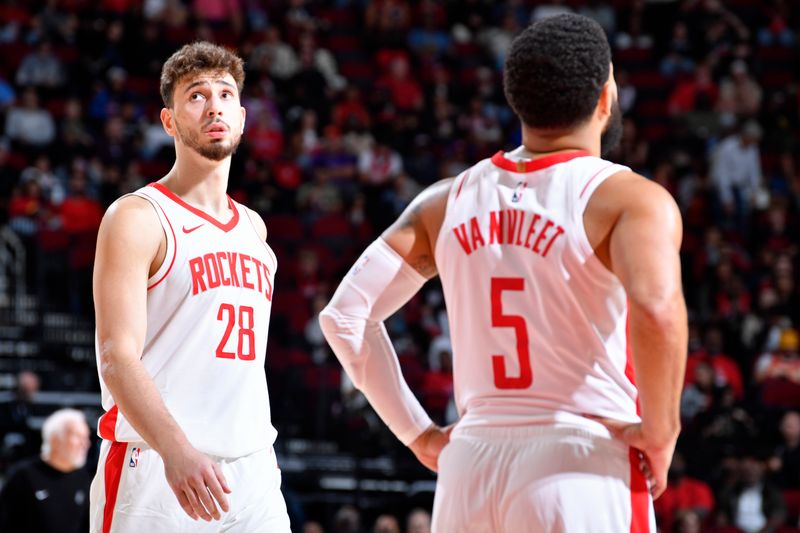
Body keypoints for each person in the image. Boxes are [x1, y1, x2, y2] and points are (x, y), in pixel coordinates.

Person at [320, 14, 687, 532]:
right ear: (606, 96)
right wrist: (662, 431)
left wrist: (419, 435)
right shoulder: (630, 199)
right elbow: (656, 311)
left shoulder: (445, 200)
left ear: (518, 101)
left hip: (470, 469)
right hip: (580, 459)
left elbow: (345, 316)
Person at [89, 42, 289, 533]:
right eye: (196, 96)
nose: (214, 105)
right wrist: (176, 451)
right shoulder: (137, 217)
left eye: (225, 94)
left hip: (253, 467)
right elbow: (117, 355)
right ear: (169, 121)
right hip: (159, 464)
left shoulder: (254, 229)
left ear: (241, 119)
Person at [0, 408, 91, 533]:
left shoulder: (84, 479)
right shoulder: (23, 476)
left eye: (85, 438)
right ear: (55, 439)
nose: (85, 444)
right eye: (78, 437)